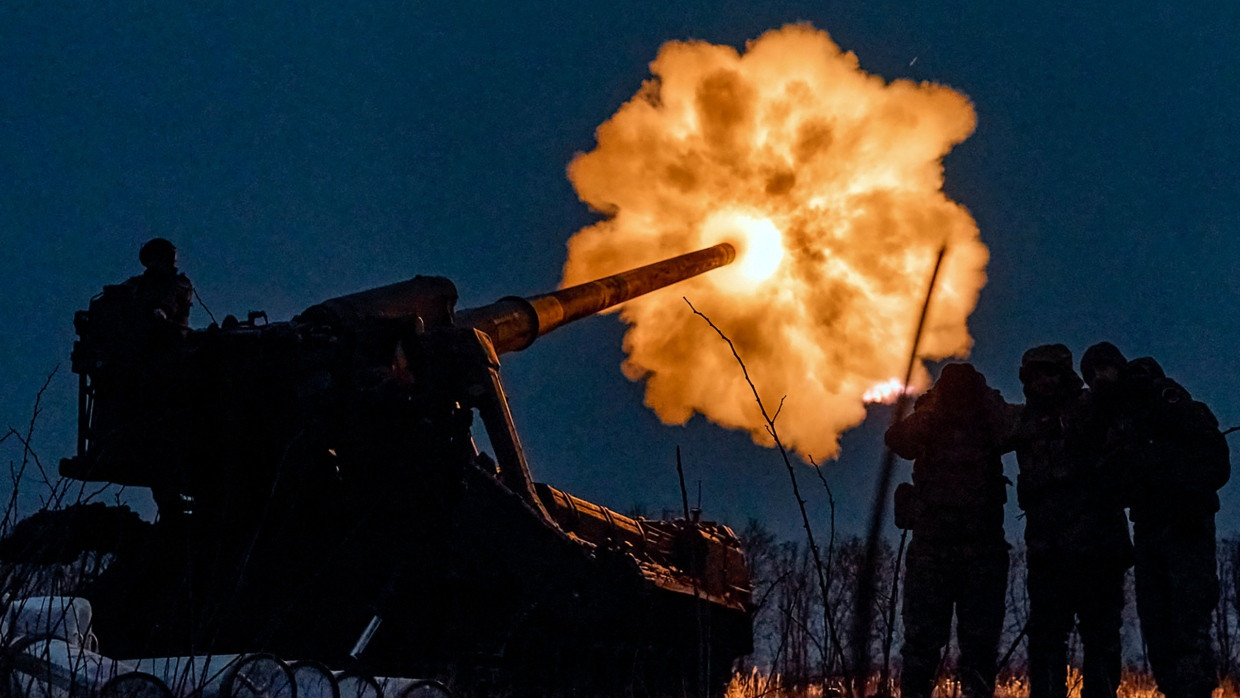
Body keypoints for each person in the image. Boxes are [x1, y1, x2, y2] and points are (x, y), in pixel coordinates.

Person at [886, 363, 1016, 698]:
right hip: (934, 550)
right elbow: (900, 440)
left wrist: (983, 398)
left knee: (979, 646)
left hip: (981, 550)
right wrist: (936, 407)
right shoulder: (932, 416)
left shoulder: (989, 417)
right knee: (921, 645)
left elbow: (1012, 431)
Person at [1107, 353, 1230, 698]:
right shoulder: (1130, 425)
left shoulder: (1176, 408)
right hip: (1151, 532)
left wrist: (1176, 485)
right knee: (1160, 626)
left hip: (1184, 529)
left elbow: (1215, 466)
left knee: (1188, 626)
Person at [1014, 344, 1132, 698]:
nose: (1044, 382)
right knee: (1047, 639)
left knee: (1101, 637)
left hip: (1096, 549)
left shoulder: (1092, 407)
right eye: (1036, 376)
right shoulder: (1025, 422)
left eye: (1050, 374)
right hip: (1048, 553)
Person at [122, 237, 194, 332]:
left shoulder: (180, 283)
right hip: (137, 333)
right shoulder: (137, 283)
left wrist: (162, 312)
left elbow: (172, 299)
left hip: (169, 336)